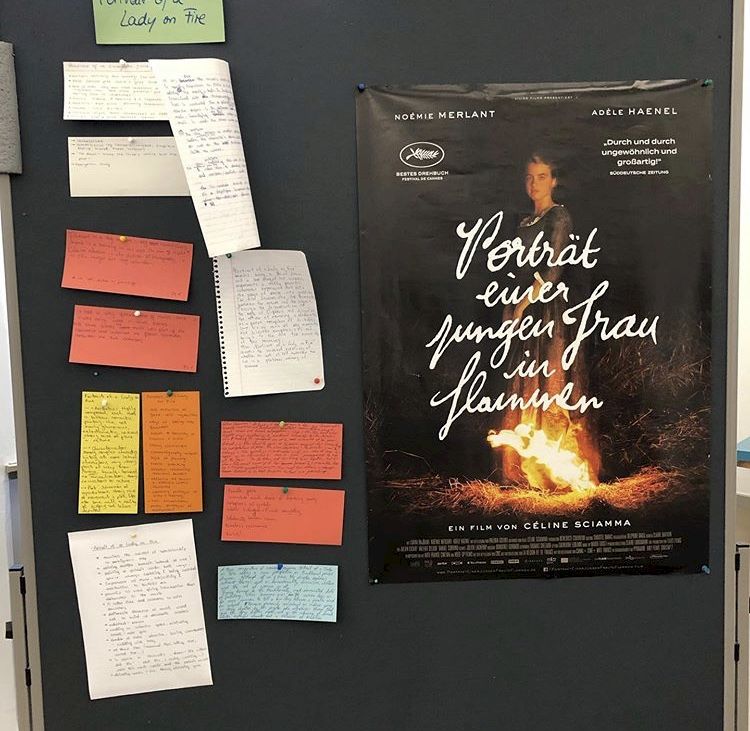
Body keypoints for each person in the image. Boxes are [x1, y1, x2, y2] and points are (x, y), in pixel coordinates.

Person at [497, 152, 600, 490]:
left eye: (542, 176)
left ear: (554, 181)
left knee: (551, 379)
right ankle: (525, 469)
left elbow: (553, 269)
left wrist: (524, 304)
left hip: (547, 310)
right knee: (525, 382)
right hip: (523, 309)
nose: (534, 183)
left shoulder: (559, 216)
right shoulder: (524, 222)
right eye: (529, 177)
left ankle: (557, 473)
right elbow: (515, 269)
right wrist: (511, 307)